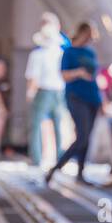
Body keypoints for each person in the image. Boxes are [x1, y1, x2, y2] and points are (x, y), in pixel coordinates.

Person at [46, 23, 102, 187]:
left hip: (93, 97)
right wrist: (79, 73)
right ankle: (56, 168)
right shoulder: (69, 52)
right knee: (82, 136)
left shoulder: (90, 52)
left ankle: (81, 173)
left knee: (87, 138)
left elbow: (94, 78)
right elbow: (63, 75)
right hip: (76, 96)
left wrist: (102, 101)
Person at [25, 27, 66, 167]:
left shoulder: (38, 55)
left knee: (36, 125)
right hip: (59, 92)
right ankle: (60, 157)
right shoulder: (61, 54)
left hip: (43, 92)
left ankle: (36, 158)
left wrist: (30, 93)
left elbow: (34, 76)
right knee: (58, 125)